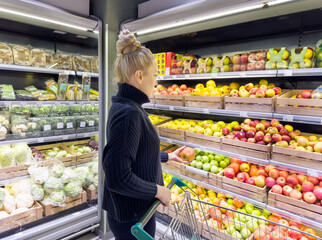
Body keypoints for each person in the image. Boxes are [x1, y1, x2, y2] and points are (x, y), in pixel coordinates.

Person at [102, 30, 192, 240]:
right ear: (140, 76)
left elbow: (133, 152)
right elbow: (118, 177)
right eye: (155, 74)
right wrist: (158, 191)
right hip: (132, 218)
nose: (156, 82)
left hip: (132, 212)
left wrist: (166, 157)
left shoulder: (127, 106)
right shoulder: (128, 113)